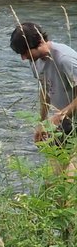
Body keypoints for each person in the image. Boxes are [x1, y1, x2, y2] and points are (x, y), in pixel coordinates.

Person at [9, 22, 77, 168]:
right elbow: (45, 90)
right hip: (62, 121)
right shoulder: (35, 60)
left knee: (68, 173)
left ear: (40, 42)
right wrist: (43, 122)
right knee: (54, 174)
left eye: (25, 52)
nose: (23, 57)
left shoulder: (65, 58)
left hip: (70, 120)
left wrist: (59, 116)